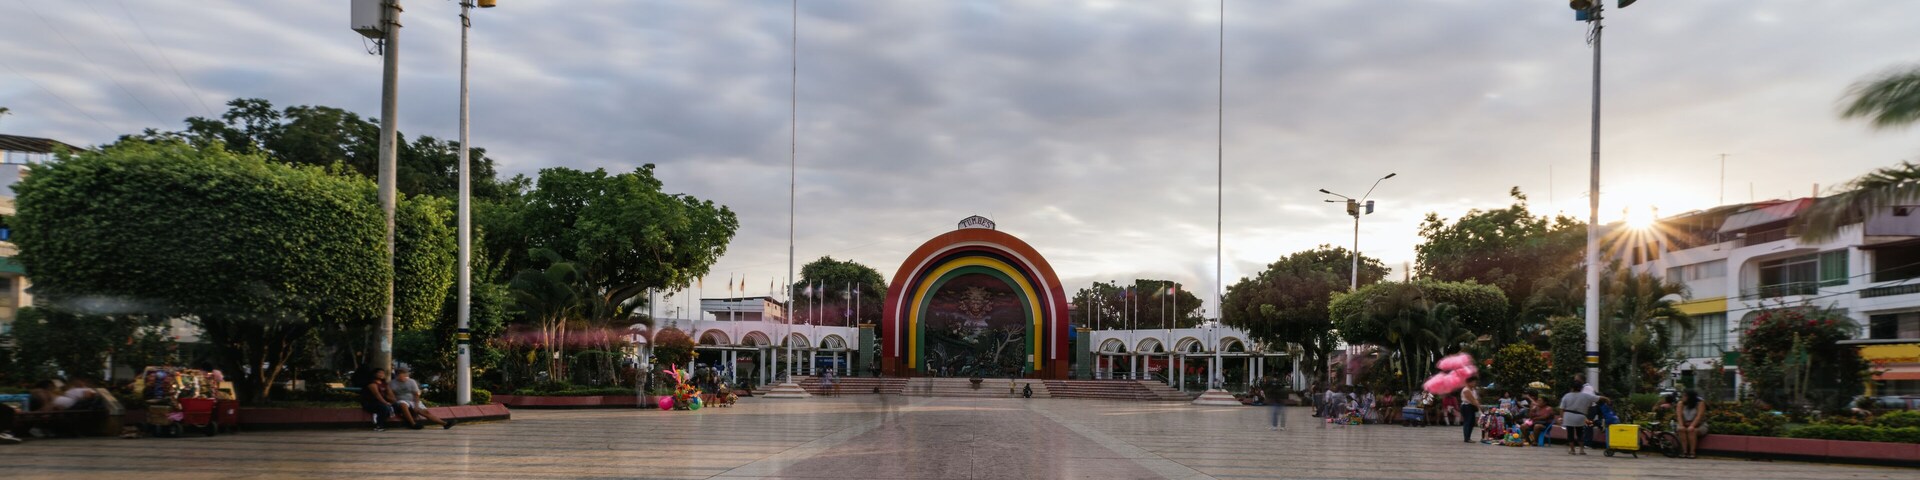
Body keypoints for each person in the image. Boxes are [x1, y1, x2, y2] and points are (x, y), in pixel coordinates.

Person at [1559, 383, 1599, 455]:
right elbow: (1597, 398)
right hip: (1580, 417)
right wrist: (1606, 399)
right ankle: (1581, 450)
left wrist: (1562, 418)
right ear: (1581, 388)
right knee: (1580, 433)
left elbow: (1562, 408)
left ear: (1572, 388)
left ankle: (1572, 450)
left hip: (1569, 416)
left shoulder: (1567, 396)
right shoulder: (1585, 396)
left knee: (1570, 434)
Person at [1677, 390, 1709, 459]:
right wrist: (1681, 425)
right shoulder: (1680, 404)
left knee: (1691, 431)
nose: (1683, 397)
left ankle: (1692, 452)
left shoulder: (1700, 403)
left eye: (1685, 396)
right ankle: (1684, 451)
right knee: (1681, 430)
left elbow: (1699, 416)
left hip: (1699, 425)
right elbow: (1679, 416)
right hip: (1685, 423)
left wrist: (1692, 425)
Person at [1459, 376, 1481, 442]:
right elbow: (1472, 400)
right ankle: (1466, 438)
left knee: (1471, 422)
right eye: (1473, 382)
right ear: (1469, 382)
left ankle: (1468, 437)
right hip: (1466, 406)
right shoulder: (1466, 390)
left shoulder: (1473, 390)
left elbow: (1476, 399)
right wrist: (1479, 407)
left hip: (1472, 407)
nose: (1474, 383)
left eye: (1475, 382)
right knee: (1467, 421)